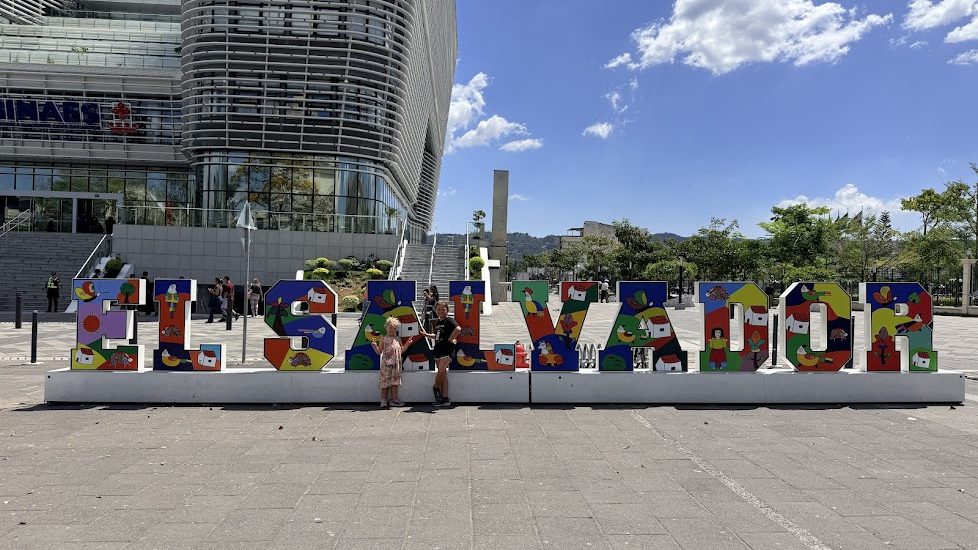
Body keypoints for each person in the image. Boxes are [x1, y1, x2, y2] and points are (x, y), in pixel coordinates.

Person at [421, 301, 460, 407]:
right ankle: (445, 398)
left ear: (447, 310)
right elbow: (437, 336)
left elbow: (458, 329)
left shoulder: (449, 320)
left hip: (447, 350)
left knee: (442, 370)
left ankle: (435, 387)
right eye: (438, 309)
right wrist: (427, 335)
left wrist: (450, 339)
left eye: (443, 309)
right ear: (435, 310)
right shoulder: (437, 322)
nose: (441, 311)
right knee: (443, 374)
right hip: (438, 349)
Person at [371, 317, 404, 408]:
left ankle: (394, 399)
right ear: (386, 328)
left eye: (394, 328)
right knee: (385, 382)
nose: (392, 330)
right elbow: (379, 351)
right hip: (386, 365)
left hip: (396, 365)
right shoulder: (383, 339)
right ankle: (383, 400)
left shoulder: (398, 339)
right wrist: (374, 346)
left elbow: (401, 351)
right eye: (390, 327)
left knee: (395, 382)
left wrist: (408, 344)